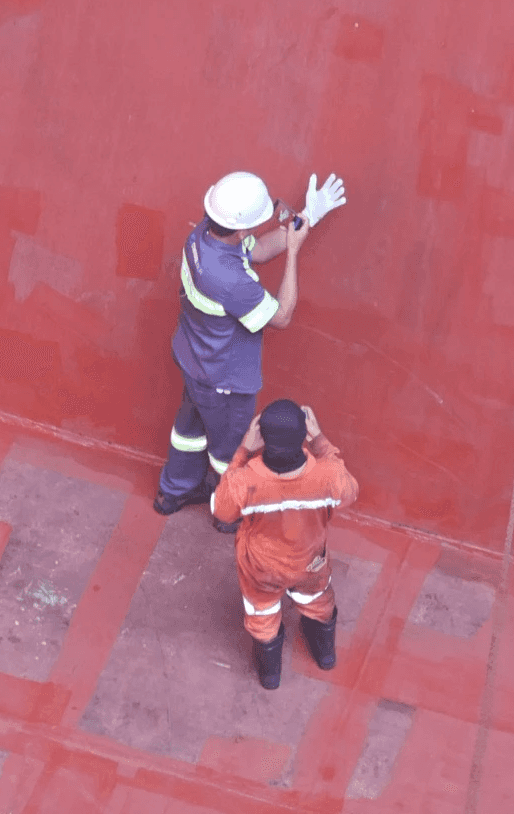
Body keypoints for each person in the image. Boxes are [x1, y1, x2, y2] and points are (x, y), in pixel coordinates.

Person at [153, 171, 347, 532]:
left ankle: (173, 491)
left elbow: (256, 251)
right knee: (229, 452)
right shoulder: (229, 281)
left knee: (189, 431)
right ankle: (228, 514)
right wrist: (295, 251)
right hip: (224, 377)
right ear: (240, 229)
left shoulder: (202, 237)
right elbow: (283, 315)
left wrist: (308, 217)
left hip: (194, 358)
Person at [211, 400, 359, 689]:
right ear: (303, 435)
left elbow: (221, 511)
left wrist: (243, 451)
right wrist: (320, 442)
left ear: (262, 438)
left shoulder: (245, 481)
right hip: (310, 562)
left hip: (261, 569)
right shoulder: (328, 476)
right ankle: (325, 654)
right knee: (318, 600)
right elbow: (350, 493)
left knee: (262, 613)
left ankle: (270, 674)